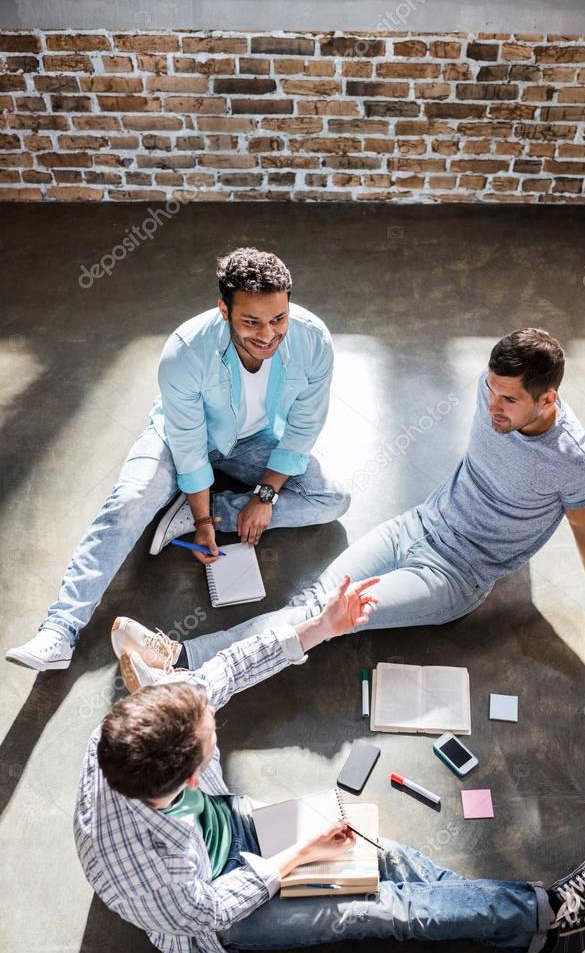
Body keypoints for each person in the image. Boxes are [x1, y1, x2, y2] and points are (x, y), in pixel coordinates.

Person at [76, 575, 585, 953]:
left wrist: (322, 627)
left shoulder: (131, 732)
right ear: (193, 778)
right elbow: (209, 912)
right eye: (212, 733)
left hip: (227, 828)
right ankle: (549, 914)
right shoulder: (157, 868)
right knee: (384, 906)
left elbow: (229, 669)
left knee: (380, 854)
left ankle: (538, 937)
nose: (214, 716)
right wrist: (299, 857)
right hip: (225, 905)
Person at [111, 327, 585, 673]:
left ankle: (182, 662)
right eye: (489, 389)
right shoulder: (498, 394)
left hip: (456, 576)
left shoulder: (580, 461)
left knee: (325, 618)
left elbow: (583, 527)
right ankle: (183, 666)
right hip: (416, 525)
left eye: (508, 399)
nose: (492, 406)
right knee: (314, 600)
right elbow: (499, 472)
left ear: (549, 398)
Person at [6, 248, 349, 673]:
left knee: (332, 498)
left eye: (278, 319)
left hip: (254, 440)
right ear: (224, 309)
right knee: (131, 500)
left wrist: (263, 497)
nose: (268, 335)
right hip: (181, 437)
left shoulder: (313, 339)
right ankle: (60, 628)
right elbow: (187, 446)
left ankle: (199, 511)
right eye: (251, 322)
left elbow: (303, 428)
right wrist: (205, 524)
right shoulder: (185, 352)